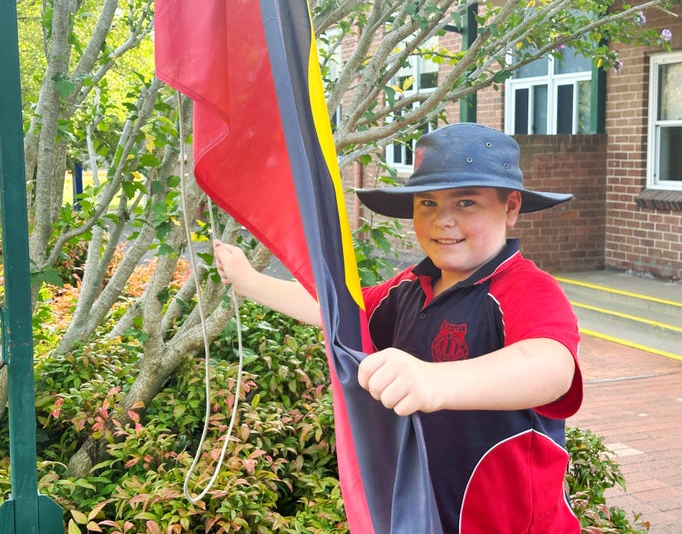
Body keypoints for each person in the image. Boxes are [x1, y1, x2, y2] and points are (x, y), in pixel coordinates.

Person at [214, 123, 583, 533]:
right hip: (426, 514)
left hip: (511, 523)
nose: (442, 220)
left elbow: (551, 367)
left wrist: (434, 380)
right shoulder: (408, 286)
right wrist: (250, 282)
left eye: (465, 202)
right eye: (427, 203)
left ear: (511, 207)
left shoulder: (527, 288)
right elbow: (339, 312)